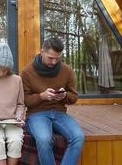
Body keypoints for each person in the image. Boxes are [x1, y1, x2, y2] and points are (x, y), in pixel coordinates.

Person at [20, 37, 85, 165]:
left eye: (57, 58)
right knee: (44, 139)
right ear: (42, 52)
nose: (54, 62)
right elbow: (24, 100)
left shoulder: (67, 70)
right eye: (50, 58)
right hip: (36, 114)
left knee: (78, 137)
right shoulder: (27, 71)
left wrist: (65, 95)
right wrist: (41, 97)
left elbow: (74, 97)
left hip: (59, 113)